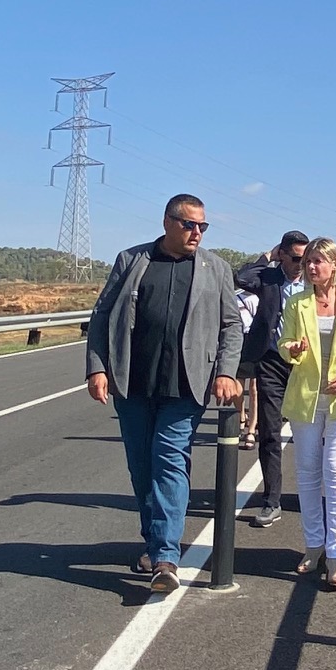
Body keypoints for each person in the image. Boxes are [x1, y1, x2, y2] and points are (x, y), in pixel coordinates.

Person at [85, 194, 244, 593]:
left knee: (169, 461)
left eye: (203, 226)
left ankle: (165, 559)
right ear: (167, 222)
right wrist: (97, 367)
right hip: (133, 382)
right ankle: (155, 541)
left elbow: (231, 325)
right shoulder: (131, 260)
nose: (197, 233)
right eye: (189, 224)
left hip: (186, 384)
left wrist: (226, 372)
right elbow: (102, 315)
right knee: (142, 468)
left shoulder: (216, 268)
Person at [276, 238, 336, 590]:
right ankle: (313, 545)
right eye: (308, 262)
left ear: (334, 265)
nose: (311, 267)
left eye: (318, 261)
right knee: (307, 473)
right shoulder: (297, 302)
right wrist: (292, 348)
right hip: (306, 398)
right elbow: (283, 343)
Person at [235, 231, 309, 527]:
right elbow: (241, 277)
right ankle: (271, 500)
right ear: (283, 255)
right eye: (296, 258)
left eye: (306, 258)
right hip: (271, 361)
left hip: (306, 364)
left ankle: (310, 496)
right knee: (270, 431)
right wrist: (268, 256)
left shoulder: (313, 282)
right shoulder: (269, 278)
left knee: (311, 432)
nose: (302, 264)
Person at [234, 287, 261, 449]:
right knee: (237, 386)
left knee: (255, 389)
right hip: (238, 341)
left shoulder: (255, 298)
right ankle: (241, 417)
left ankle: (251, 429)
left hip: (254, 341)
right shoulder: (233, 296)